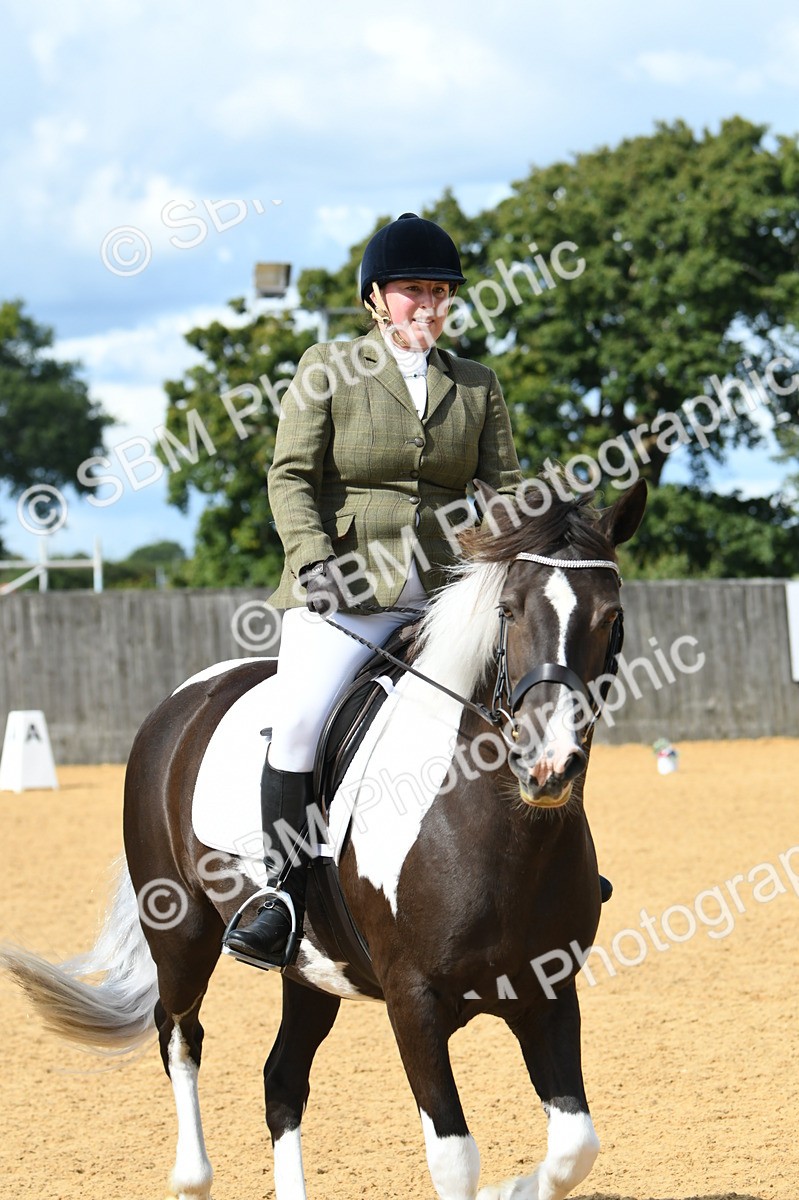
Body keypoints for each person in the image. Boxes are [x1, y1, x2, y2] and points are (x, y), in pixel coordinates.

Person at [222, 212, 526, 969]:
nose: (426, 304)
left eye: (438, 291)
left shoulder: (477, 386)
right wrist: (312, 558)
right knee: (298, 725)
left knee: (532, 695)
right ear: (374, 300)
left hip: (448, 595)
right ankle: (283, 894)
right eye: (410, 291)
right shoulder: (326, 367)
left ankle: (547, 870)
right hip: (344, 591)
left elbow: (503, 492)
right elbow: (290, 475)